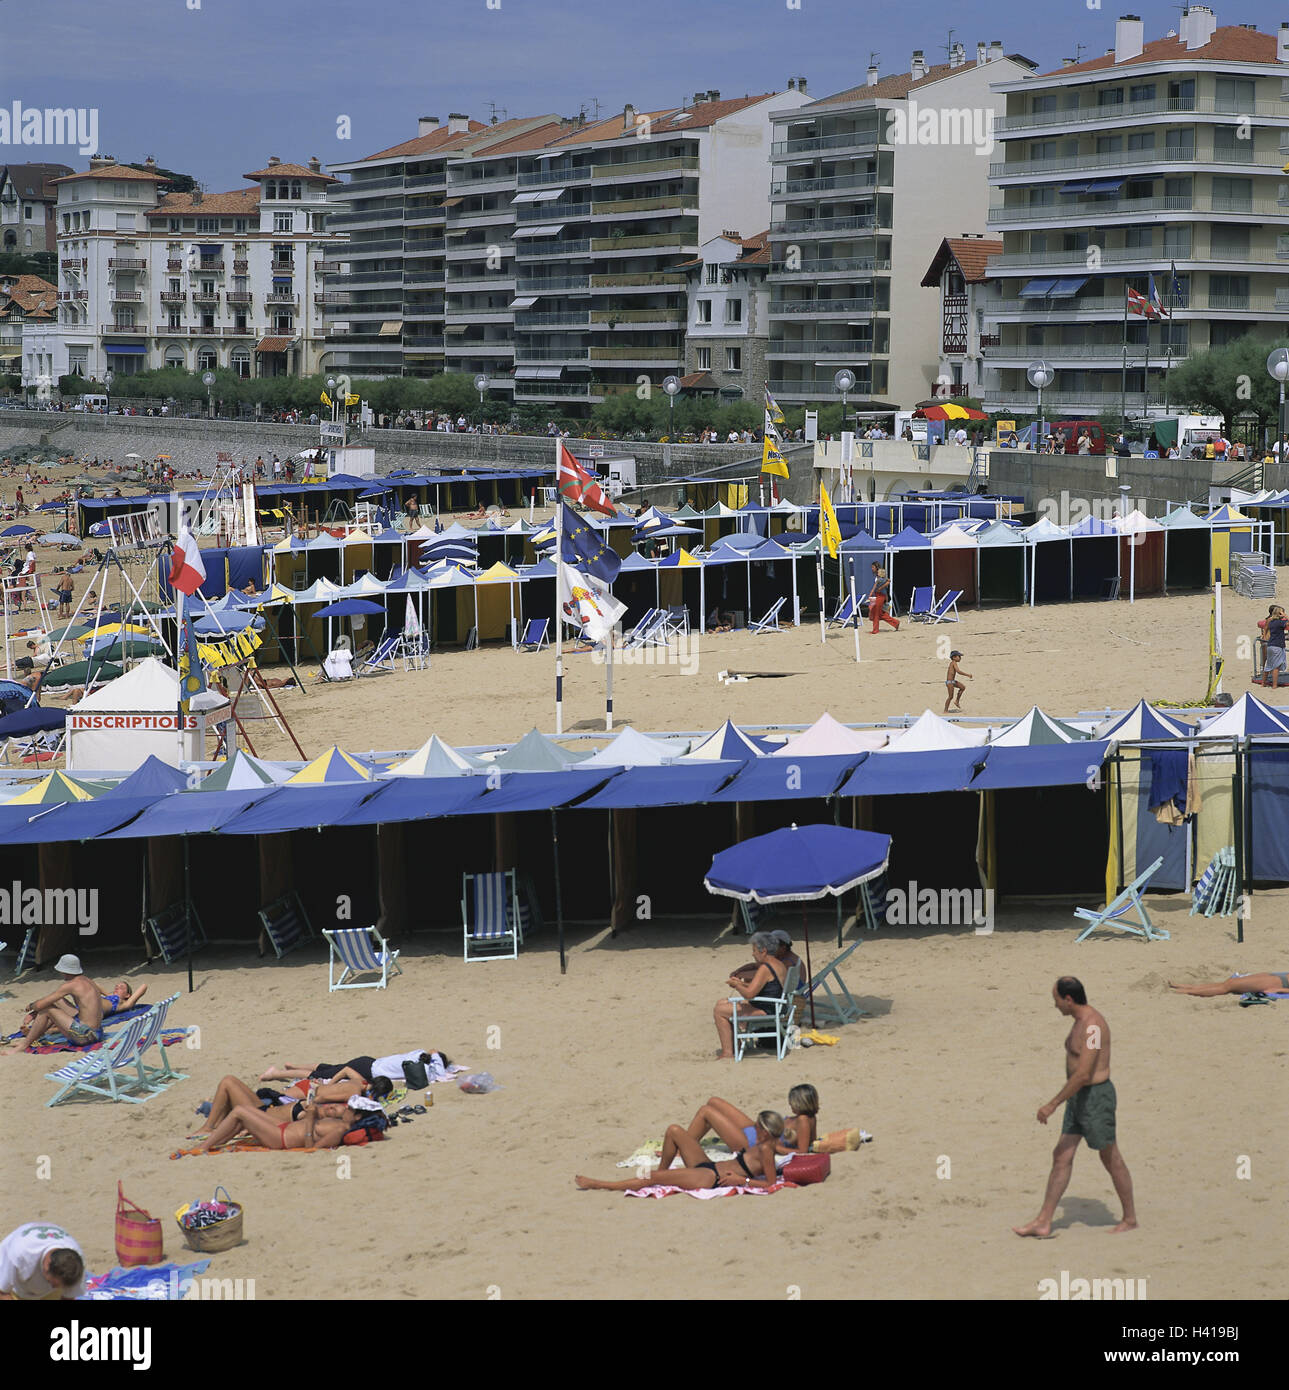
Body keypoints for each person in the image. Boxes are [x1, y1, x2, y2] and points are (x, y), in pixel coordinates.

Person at [1014, 976, 1137, 1237]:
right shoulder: (1078, 1022)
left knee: (1110, 1157)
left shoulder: (1092, 1027)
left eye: (1056, 1000)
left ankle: (1130, 1218)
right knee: (1062, 1155)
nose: (1055, 1005)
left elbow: (1083, 1074)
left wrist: (1052, 1104)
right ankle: (1043, 1221)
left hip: (1095, 1099)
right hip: (1078, 1098)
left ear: (1068, 999)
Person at [575, 1111, 786, 1192]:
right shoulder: (764, 1144)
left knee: (651, 1176)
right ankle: (663, 1175)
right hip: (708, 1166)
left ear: (766, 1132)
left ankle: (598, 1184)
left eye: (757, 1127)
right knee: (674, 1130)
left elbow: (770, 1183)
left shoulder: (767, 1151)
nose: (753, 1130)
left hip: (710, 1177)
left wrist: (742, 1182)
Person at [713, 931, 788, 1060]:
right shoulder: (779, 964)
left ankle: (728, 1053)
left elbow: (749, 994)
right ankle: (736, 1045)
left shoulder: (765, 968)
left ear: (763, 951)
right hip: (777, 1006)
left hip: (768, 1010)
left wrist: (736, 985)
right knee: (722, 1002)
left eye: (754, 950)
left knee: (719, 1011)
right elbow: (765, 988)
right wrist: (740, 984)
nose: (753, 954)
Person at [4, 955, 104, 1051]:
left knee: (47, 1010)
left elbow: (40, 1005)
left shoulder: (71, 985)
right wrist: (33, 1013)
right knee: (56, 1001)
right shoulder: (88, 980)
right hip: (97, 1032)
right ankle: (34, 1035)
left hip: (86, 1035)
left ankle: (25, 1044)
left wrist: (31, 1006)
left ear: (65, 971)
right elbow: (51, 1000)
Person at [197, 1096, 359, 1154]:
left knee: (239, 1111)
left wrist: (309, 1119)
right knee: (245, 1110)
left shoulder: (339, 1129)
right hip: (283, 1127)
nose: (347, 1108)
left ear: (357, 1116)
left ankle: (203, 1147)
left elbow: (311, 1149)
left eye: (350, 1108)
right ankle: (213, 1143)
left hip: (282, 1139)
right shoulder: (339, 1123)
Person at [0, 1223, 86, 1300]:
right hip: (16, 1287)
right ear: (46, 1267)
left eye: (58, 1286)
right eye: (52, 1283)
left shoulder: (75, 1264)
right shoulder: (19, 1254)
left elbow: (69, 1297)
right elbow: (2, 1292)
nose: (52, 1286)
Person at [1169, 972, 1289, 997]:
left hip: (1277, 982)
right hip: (1276, 977)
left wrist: (1279, 990)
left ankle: (1186, 991)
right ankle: (1186, 987)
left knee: (1227, 987)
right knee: (1228, 983)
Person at [1257, 605, 1286, 689]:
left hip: (1269, 643)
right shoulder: (1278, 622)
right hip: (1275, 644)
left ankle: (1263, 683)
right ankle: (1274, 685)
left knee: (1267, 664)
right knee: (1275, 666)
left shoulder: (1269, 620)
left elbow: (1265, 629)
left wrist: (1263, 638)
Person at [867, 563, 899, 634]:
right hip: (879, 596)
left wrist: (880, 588)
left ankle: (875, 630)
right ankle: (895, 623)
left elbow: (888, 581)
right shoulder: (878, 576)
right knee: (880, 614)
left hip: (881, 596)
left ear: (876, 568)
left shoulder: (880, 577)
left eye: (873, 567)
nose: (872, 569)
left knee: (876, 613)